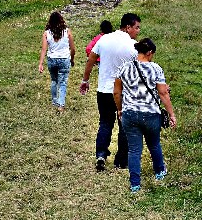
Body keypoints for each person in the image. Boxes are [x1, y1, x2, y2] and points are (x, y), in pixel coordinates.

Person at [114, 38, 176, 193]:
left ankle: (135, 183)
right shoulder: (155, 69)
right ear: (149, 53)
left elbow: (117, 92)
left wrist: (120, 109)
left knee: (134, 150)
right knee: (154, 144)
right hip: (150, 114)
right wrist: (171, 114)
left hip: (129, 113)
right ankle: (159, 172)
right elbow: (162, 93)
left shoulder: (124, 67)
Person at [80, 13, 141, 171]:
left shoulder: (104, 39)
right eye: (136, 27)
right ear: (127, 27)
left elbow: (91, 60)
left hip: (104, 90)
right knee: (124, 125)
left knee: (105, 122)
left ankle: (100, 154)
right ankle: (121, 160)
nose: (138, 31)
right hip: (124, 92)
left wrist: (85, 80)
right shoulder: (134, 46)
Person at [38, 11, 76, 113]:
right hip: (64, 59)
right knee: (62, 82)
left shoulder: (46, 33)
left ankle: (54, 101)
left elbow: (44, 49)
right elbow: (73, 49)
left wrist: (41, 63)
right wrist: (72, 59)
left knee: (54, 81)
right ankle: (61, 105)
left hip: (52, 60)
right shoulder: (67, 32)